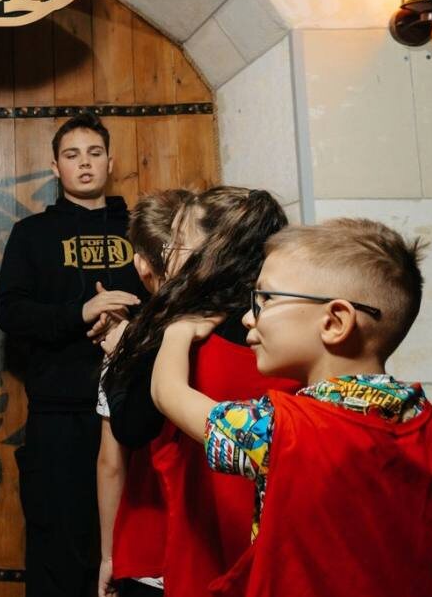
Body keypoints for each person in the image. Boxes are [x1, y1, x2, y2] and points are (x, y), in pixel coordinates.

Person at [151, 218, 432, 596]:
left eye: (265, 299)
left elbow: (167, 393)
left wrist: (177, 332)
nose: (248, 316)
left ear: (334, 321)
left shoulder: (277, 430)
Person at [103, 187, 298, 597]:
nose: (168, 252)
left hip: (193, 547)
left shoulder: (184, 333)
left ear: (210, 251)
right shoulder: (286, 335)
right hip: (270, 549)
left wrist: (130, 350)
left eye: (177, 240)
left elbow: (131, 426)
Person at [0, 113, 145, 597]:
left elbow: (173, 303)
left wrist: (127, 324)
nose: (84, 163)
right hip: (59, 411)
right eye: (72, 155)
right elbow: (10, 312)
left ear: (110, 162)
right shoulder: (31, 233)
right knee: (57, 546)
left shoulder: (142, 229)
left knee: (132, 548)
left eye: (94, 153)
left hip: (136, 410)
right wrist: (81, 312)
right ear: (55, 167)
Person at [96, 189, 189, 597]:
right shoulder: (249, 335)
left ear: (141, 265)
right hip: (225, 549)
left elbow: (111, 462)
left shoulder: (130, 344)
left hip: (150, 549)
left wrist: (108, 556)